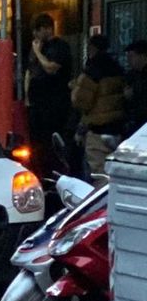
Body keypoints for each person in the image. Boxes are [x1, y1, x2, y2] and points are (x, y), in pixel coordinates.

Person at [71, 33, 127, 176]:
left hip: (97, 130)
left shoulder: (92, 70)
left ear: (92, 48)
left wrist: (74, 86)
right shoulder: (118, 68)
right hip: (117, 129)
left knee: (99, 174)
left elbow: (81, 101)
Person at [26, 13, 74, 180]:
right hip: (36, 105)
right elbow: (30, 72)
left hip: (55, 106)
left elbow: (50, 68)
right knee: (37, 146)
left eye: (38, 31)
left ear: (46, 29)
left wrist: (38, 53)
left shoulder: (60, 47)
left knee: (52, 145)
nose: (35, 36)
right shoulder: (39, 47)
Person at [124, 39, 147, 135]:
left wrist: (134, 92)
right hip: (134, 121)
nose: (128, 60)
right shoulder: (131, 75)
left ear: (142, 56)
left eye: (132, 56)